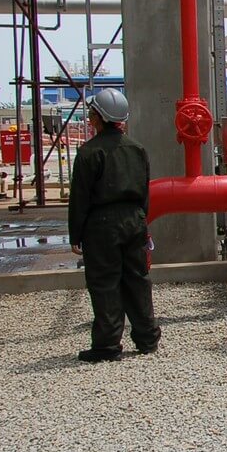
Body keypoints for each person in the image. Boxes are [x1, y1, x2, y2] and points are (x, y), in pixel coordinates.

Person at [68, 88, 158, 362]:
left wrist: (76, 234)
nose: (89, 118)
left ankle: (107, 345)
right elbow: (145, 191)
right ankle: (147, 338)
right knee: (137, 279)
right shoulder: (137, 149)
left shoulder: (88, 153)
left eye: (91, 113)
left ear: (98, 117)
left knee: (105, 282)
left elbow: (80, 197)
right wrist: (141, 222)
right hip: (134, 220)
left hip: (102, 224)